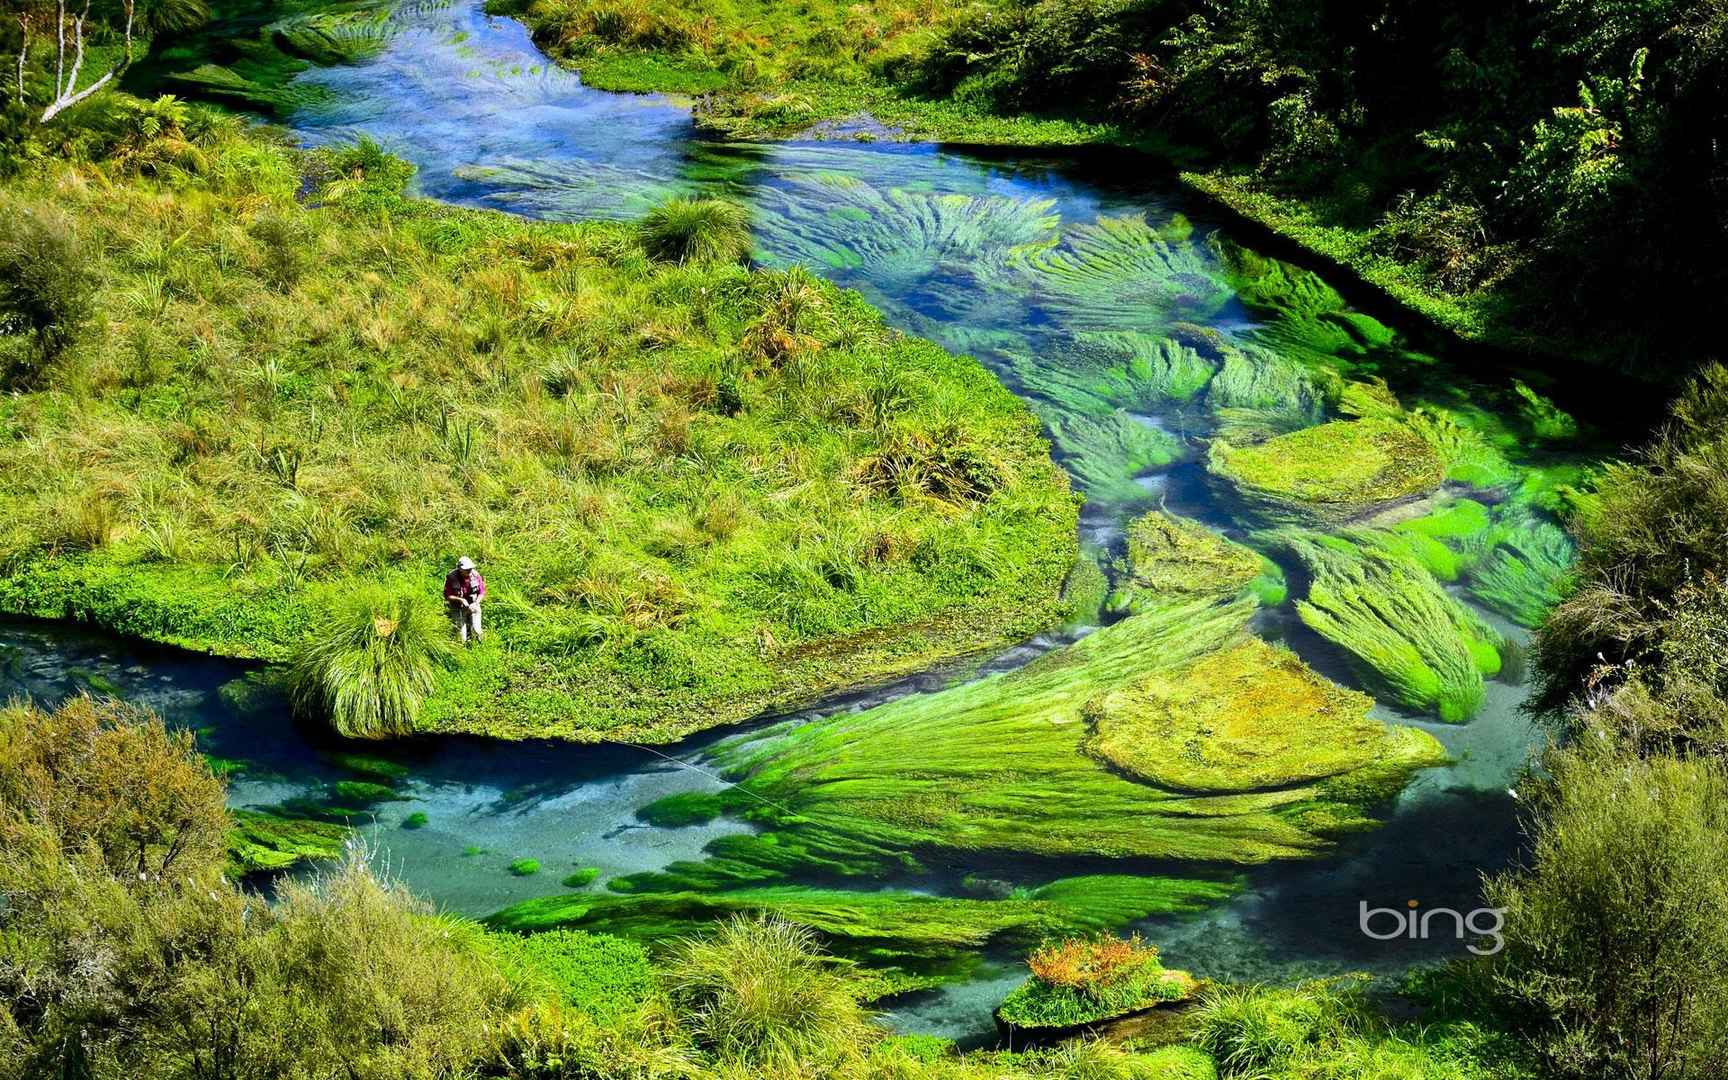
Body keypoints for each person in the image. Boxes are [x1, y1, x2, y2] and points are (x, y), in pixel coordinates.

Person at [443, 556, 485, 644]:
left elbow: (481, 592)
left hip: (474, 605)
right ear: (459, 569)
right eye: (466, 569)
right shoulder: (451, 577)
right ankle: (461, 649)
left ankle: (479, 647)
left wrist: (476, 602)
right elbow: (447, 596)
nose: (469, 571)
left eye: (470, 568)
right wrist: (461, 600)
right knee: (461, 637)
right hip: (457, 608)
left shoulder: (475, 575)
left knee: (477, 631)